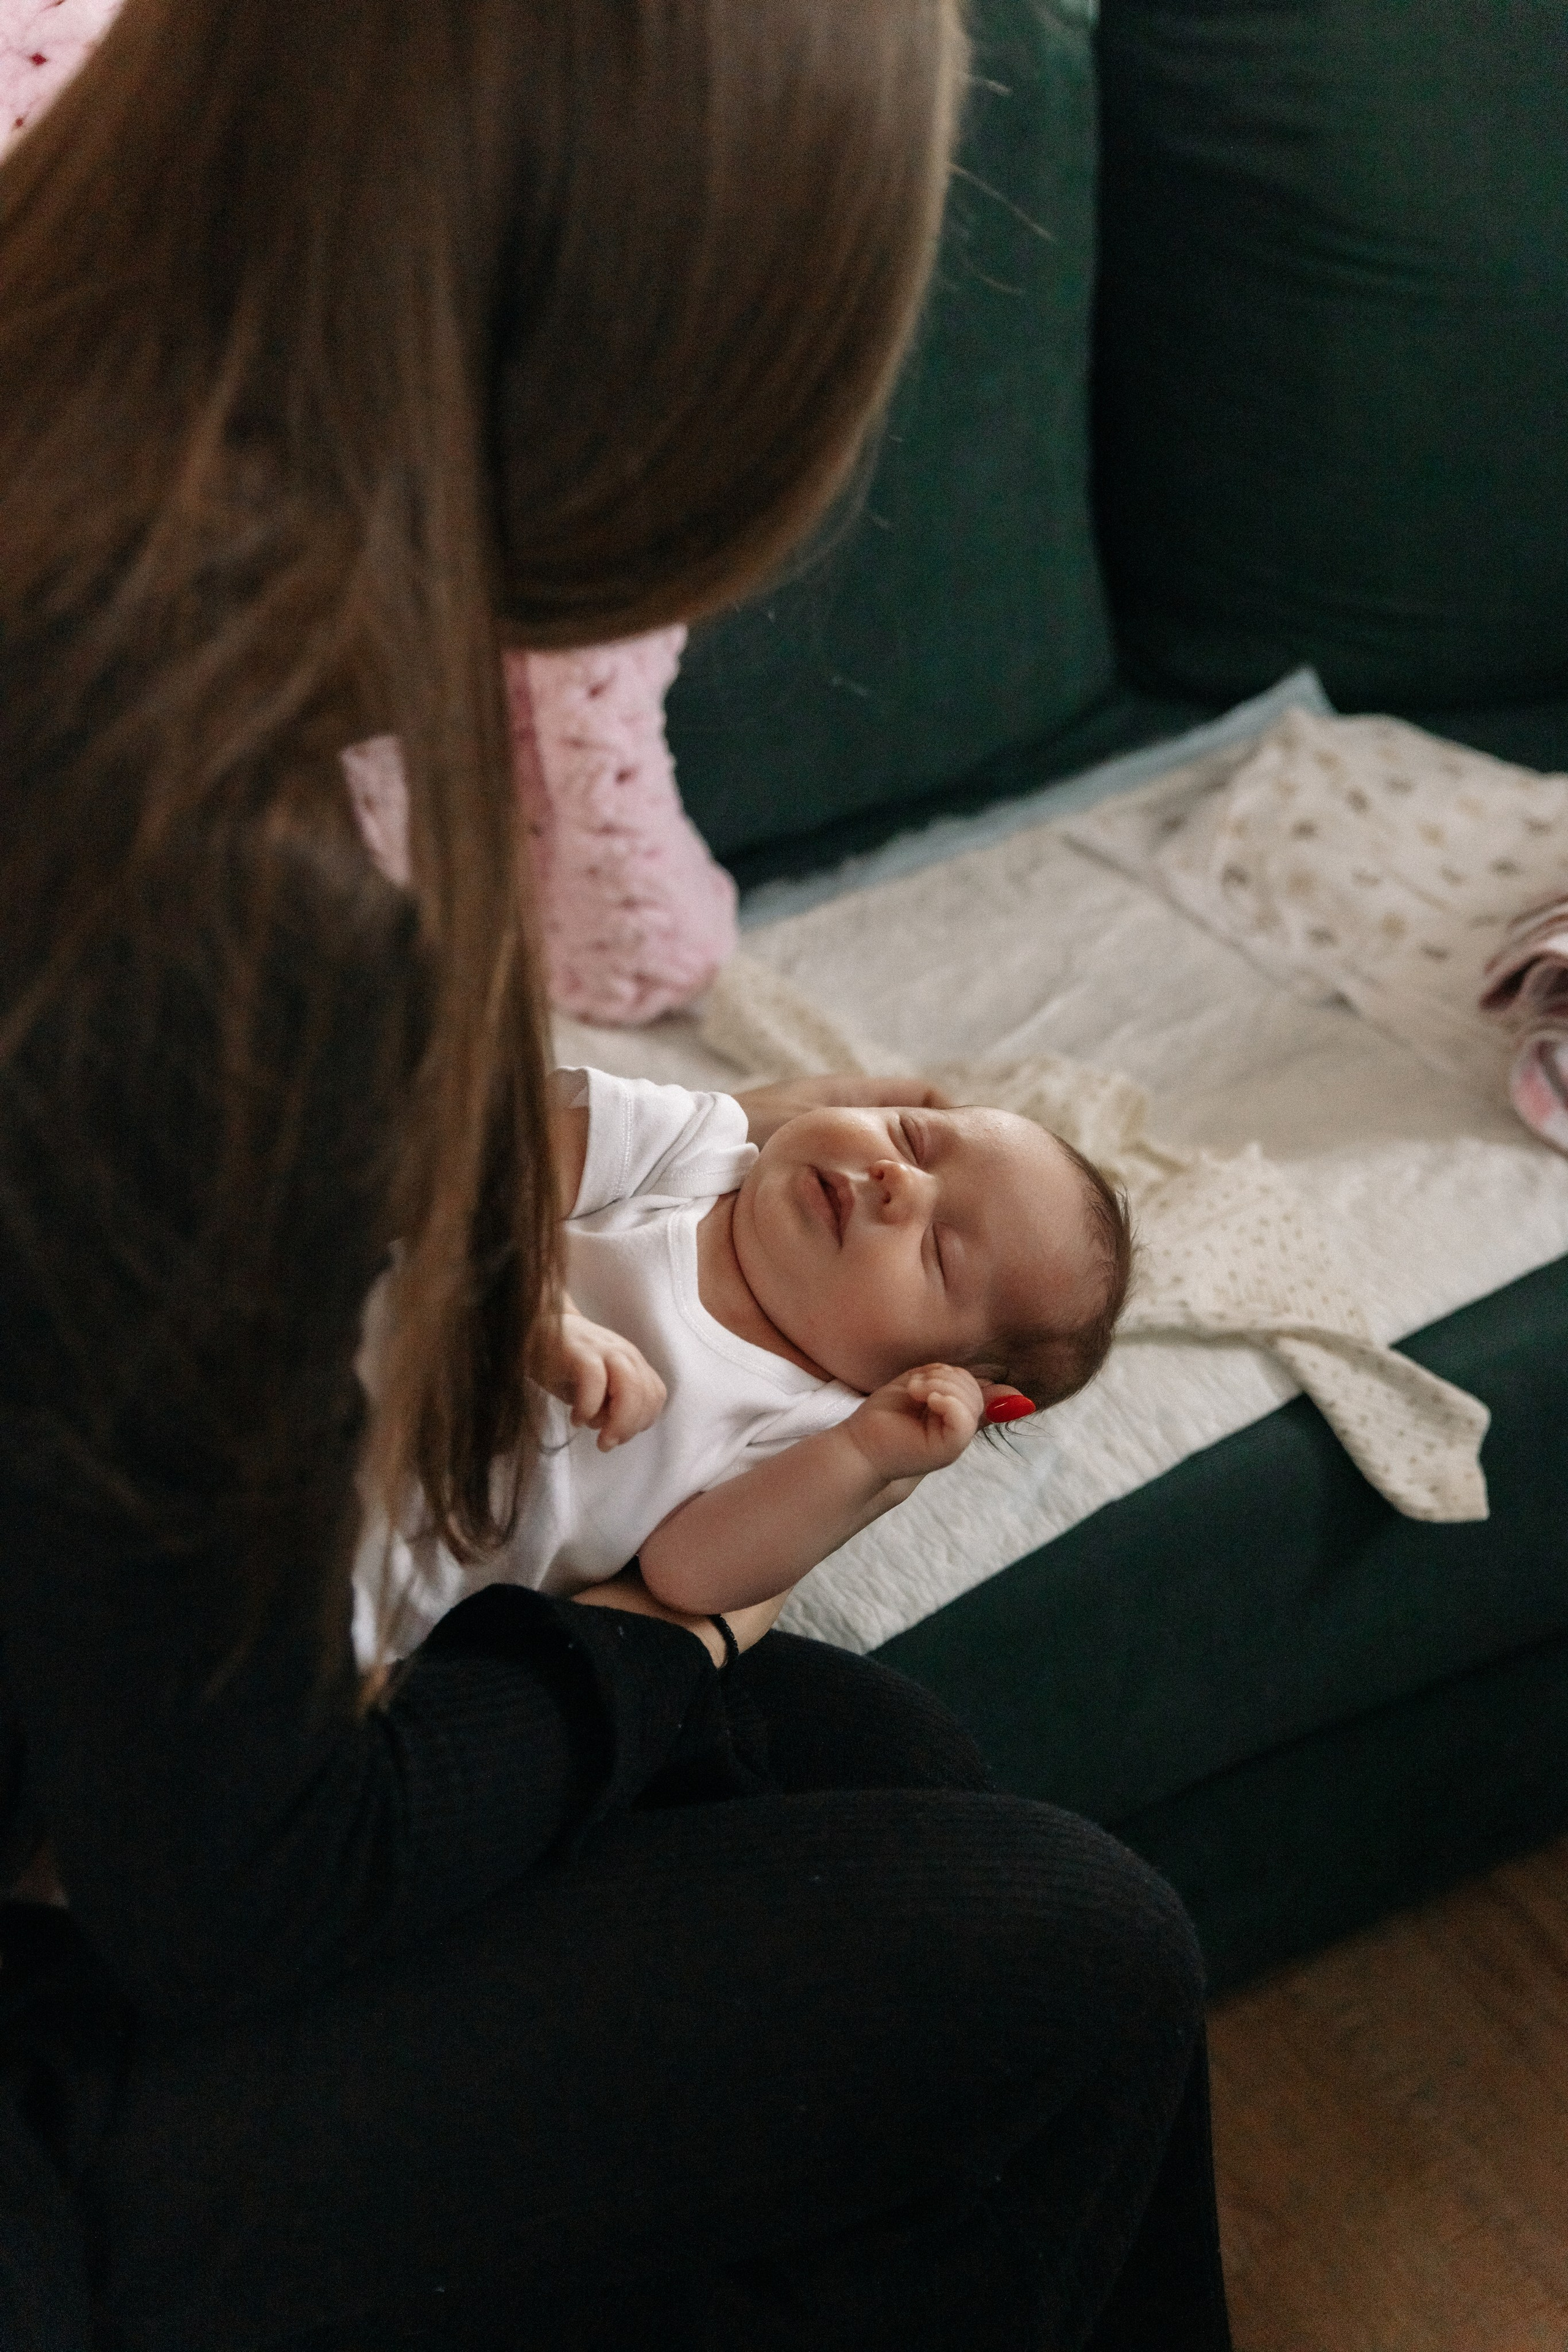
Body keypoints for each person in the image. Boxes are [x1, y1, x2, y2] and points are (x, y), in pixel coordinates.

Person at [0, 1, 1233, 2346]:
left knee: (871, 1755)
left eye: (948, 1237)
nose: (883, 1178)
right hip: (136, 1878)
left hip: (200, 1687)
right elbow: (244, 1893)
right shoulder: (208, 927)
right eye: (912, 1138)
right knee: (1070, 1957)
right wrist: (662, 1646)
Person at [358, 1065, 1132, 1655]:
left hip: (381, 1599)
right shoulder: (692, 1147)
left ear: (942, 1373)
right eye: (910, 1137)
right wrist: (536, 1307)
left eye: (937, 1249)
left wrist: (863, 1458)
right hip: (323, 1380)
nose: (898, 1179)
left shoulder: (816, 1427)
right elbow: (477, 1171)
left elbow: (685, 1579)